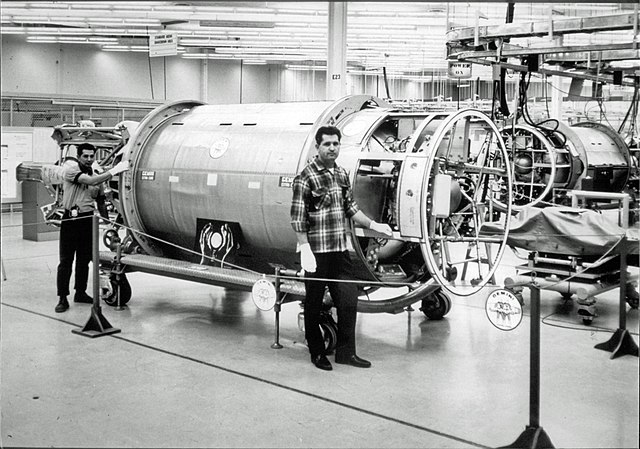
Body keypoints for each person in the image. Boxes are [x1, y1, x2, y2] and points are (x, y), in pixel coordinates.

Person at [290, 125, 393, 371]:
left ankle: (347, 353)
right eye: (327, 144)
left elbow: (351, 208)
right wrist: (305, 248)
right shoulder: (306, 177)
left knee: (348, 301)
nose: (332, 148)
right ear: (318, 147)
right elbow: (297, 217)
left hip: (339, 249)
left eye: (336, 144)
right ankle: (316, 352)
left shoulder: (341, 174)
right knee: (313, 305)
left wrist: (374, 224)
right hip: (317, 253)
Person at [55, 143, 129, 313]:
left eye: (91, 156)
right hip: (70, 220)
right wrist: (114, 171)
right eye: (85, 156)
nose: (89, 160)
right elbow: (90, 181)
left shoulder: (97, 176)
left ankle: (80, 292)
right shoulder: (71, 171)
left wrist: (109, 224)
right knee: (66, 261)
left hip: (88, 221)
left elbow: (101, 201)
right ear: (79, 156)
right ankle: (62, 298)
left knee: (84, 260)